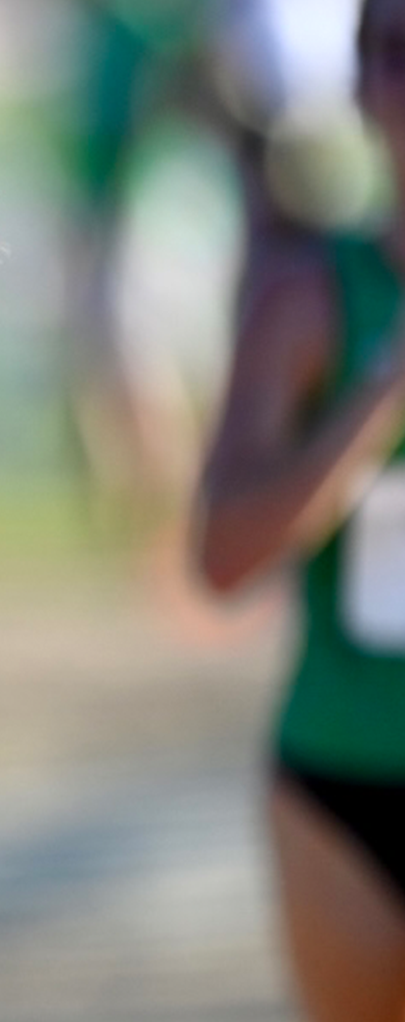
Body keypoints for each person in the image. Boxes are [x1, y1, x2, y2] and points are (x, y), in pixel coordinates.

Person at [195, 1, 405, 1018]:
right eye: (400, 55)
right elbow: (220, 559)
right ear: (363, 85)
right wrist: (377, 393)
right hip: (342, 780)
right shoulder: (310, 297)